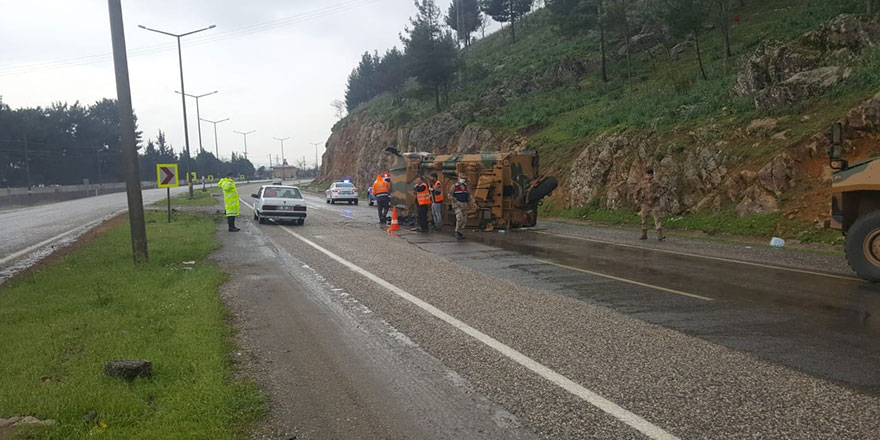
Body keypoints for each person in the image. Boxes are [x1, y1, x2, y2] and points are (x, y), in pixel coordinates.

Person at [635, 168, 665, 241]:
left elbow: (664, 189)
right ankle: (644, 235)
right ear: (645, 175)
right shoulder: (642, 183)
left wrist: (658, 194)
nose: (649, 176)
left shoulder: (657, 183)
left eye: (650, 175)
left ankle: (659, 236)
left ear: (653, 175)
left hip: (655, 204)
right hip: (645, 204)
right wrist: (636, 199)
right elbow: (637, 190)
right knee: (644, 220)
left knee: (657, 219)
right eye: (648, 175)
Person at [450, 174, 470, 240]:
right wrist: (454, 200)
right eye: (461, 178)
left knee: (464, 219)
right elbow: (449, 195)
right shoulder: (454, 186)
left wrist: (472, 203)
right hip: (457, 204)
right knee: (459, 218)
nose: (463, 179)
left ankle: (461, 232)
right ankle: (457, 231)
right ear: (458, 178)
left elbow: (469, 196)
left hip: (464, 204)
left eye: (464, 178)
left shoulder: (466, 186)